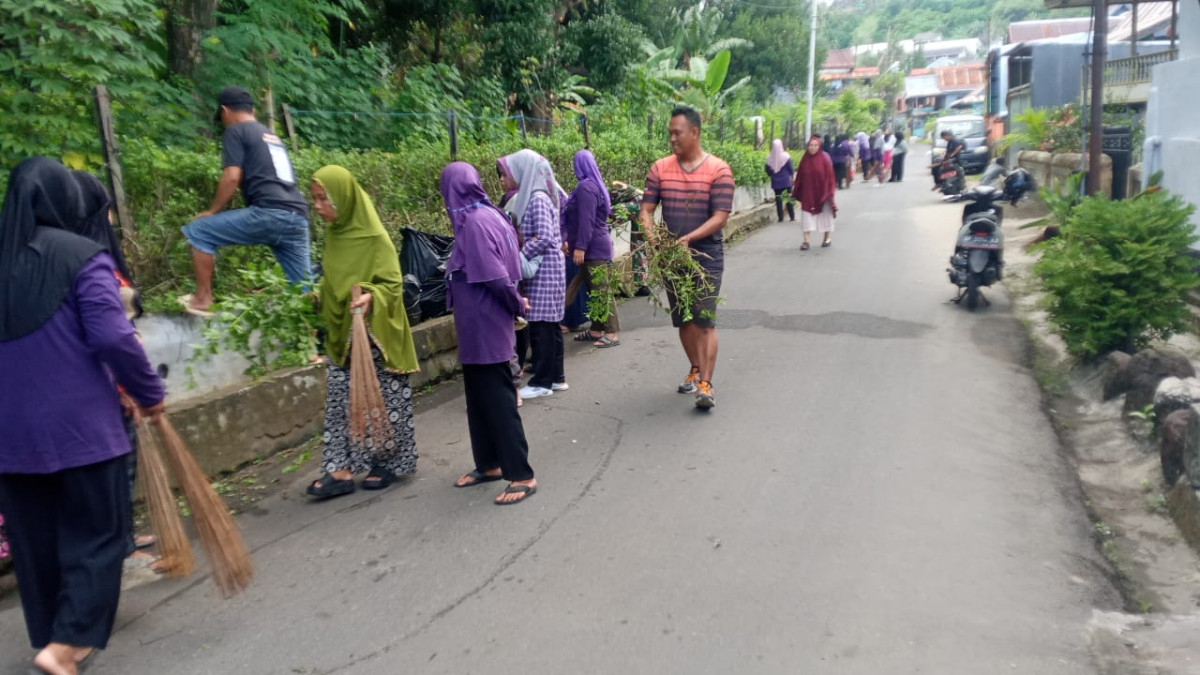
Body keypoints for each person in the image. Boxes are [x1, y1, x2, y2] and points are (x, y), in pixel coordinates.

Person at [0, 157, 165, 675]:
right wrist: (148, 391)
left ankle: (56, 639)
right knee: (99, 534)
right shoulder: (80, 255)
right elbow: (113, 335)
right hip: (82, 430)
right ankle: (65, 647)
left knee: (37, 544)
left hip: (12, 439)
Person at [304, 166, 420, 499]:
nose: (318, 205)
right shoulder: (333, 236)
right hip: (342, 336)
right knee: (341, 401)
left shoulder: (374, 237)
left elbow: (393, 286)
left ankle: (384, 462)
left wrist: (372, 296)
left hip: (373, 338)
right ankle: (338, 470)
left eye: (324, 198)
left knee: (380, 400)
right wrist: (316, 300)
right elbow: (333, 282)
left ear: (344, 197)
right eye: (314, 198)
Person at [67, 171, 162, 568]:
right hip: (106, 383)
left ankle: (122, 535)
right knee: (116, 469)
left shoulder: (91, 256)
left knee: (124, 463)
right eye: (106, 209)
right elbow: (109, 335)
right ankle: (119, 546)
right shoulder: (85, 262)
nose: (111, 218)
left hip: (114, 377)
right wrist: (130, 387)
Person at [441, 162, 538, 506]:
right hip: (477, 326)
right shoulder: (485, 215)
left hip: (485, 325)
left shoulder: (477, 223)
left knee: (498, 401)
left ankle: (522, 474)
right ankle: (489, 464)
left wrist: (516, 304)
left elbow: (496, 277)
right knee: (479, 400)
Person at [179, 86, 311, 316]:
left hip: (269, 214)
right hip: (297, 216)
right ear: (253, 110)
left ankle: (202, 299)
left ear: (224, 111)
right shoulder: (271, 136)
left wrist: (213, 210)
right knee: (304, 291)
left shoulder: (236, 131)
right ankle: (314, 341)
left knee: (199, 230)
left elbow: (232, 176)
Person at [640, 106, 734, 410]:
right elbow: (646, 210)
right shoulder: (659, 168)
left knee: (705, 319)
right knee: (684, 320)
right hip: (672, 257)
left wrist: (689, 238)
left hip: (706, 256)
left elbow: (720, 216)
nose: (672, 138)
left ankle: (706, 384)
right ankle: (695, 366)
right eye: (669, 133)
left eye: (677, 133)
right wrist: (654, 239)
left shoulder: (719, 170)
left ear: (695, 132)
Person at [499, 149, 567, 400]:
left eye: (508, 172)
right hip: (548, 268)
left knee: (542, 326)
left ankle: (543, 381)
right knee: (550, 325)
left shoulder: (536, 198)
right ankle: (557, 377)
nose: (506, 177)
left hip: (544, 270)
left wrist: (519, 255)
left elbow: (545, 236)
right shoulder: (538, 195)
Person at [563, 149, 621, 348]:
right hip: (594, 245)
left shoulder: (586, 187)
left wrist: (580, 247)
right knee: (592, 288)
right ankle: (597, 328)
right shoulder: (592, 185)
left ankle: (612, 333)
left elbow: (586, 221)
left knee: (600, 289)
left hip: (592, 247)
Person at [792, 135, 838, 250]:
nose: (812, 148)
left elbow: (831, 177)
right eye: (810, 145)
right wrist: (797, 190)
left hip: (823, 192)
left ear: (819, 146)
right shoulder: (805, 160)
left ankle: (827, 238)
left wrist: (829, 191)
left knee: (825, 215)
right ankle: (806, 241)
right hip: (808, 193)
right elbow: (800, 177)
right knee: (807, 215)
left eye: (815, 145)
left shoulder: (825, 159)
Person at [764, 139, 795, 222]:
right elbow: (790, 168)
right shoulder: (786, 156)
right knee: (788, 198)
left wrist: (773, 175)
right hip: (786, 181)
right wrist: (791, 176)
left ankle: (780, 218)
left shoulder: (769, 158)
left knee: (778, 200)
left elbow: (767, 170)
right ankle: (792, 216)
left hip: (775, 182)